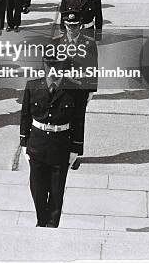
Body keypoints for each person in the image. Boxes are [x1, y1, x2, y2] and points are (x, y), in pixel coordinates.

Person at [20, 50, 89, 228]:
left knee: (57, 191)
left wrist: (76, 149)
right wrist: (23, 144)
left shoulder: (76, 90)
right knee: (37, 188)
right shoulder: (32, 86)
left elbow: (79, 121)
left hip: (61, 144)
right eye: (49, 66)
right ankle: (41, 220)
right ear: (44, 66)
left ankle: (52, 225)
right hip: (37, 143)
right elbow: (25, 117)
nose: (53, 71)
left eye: (57, 67)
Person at [54, 10, 98, 105]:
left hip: (81, 87)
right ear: (65, 25)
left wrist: (91, 90)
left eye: (74, 25)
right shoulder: (56, 42)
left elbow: (93, 67)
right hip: (62, 89)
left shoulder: (89, 43)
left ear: (80, 26)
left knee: (78, 118)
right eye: (68, 25)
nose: (71, 28)